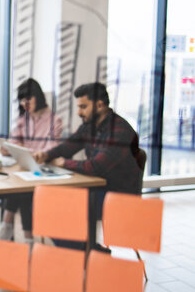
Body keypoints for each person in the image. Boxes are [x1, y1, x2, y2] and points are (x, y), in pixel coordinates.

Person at [33, 82, 142, 248]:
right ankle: (90, 252)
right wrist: (47, 155)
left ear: (100, 105)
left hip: (118, 197)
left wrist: (64, 163)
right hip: (96, 188)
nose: (79, 112)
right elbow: (68, 146)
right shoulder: (89, 126)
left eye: (83, 107)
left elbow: (96, 167)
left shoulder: (120, 131)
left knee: (56, 210)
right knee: (46, 205)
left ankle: (89, 253)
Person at [0, 78, 62, 242]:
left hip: (44, 170)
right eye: (22, 100)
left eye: (28, 98)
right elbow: (15, 140)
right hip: (26, 169)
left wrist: (26, 150)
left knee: (22, 189)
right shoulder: (24, 118)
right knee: (20, 186)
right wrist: (9, 148)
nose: (25, 103)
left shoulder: (54, 120)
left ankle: (7, 225)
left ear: (38, 97)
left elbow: (50, 150)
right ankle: (27, 239)